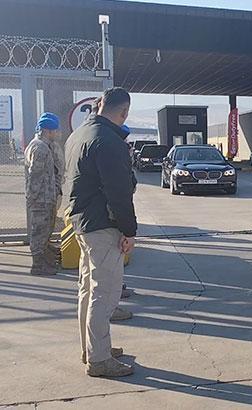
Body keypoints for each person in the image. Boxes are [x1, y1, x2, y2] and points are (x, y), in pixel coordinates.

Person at [65, 87, 137, 377]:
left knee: (87, 289)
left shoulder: (79, 135)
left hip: (82, 223)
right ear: (124, 112)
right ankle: (99, 359)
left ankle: (92, 348)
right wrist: (129, 230)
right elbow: (119, 192)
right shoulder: (108, 140)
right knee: (104, 293)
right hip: (103, 225)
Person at [24, 112, 62, 275]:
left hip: (45, 198)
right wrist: (33, 199)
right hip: (40, 200)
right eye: (55, 130)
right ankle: (38, 266)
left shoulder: (43, 146)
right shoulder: (40, 148)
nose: (57, 133)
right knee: (39, 232)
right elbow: (35, 176)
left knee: (44, 231)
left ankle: (44, 261)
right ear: (48, 130)